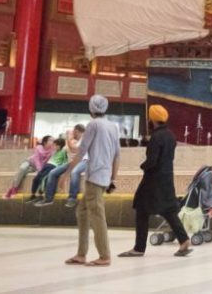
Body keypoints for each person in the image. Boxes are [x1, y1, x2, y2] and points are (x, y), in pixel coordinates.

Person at [119, 105, 192, 258]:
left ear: (152, 119)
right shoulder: (170, 135)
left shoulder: (157, 137)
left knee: (141, 210)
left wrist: (143, 166)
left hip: (153, 180)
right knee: (169, 210)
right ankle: (184, 240)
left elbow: (152, 161)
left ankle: (139, 248)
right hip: (166, 178)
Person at [65, 95, 121, 267]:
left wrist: (65, 174)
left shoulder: (93, 125)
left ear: (91, 109)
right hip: (103, 176)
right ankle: (81, 253)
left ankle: (104, 256)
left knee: (97, 215)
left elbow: (82, 151)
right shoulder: (112, 126)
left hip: (95, 176)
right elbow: (117, 154)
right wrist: (113, 178)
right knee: (82, 212)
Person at [37, 124, 86, 207]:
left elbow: (74, 149)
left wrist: (68, 138)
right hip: (75, 161)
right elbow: (72, 151)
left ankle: (72, 198)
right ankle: (48, 198)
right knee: (52, 172)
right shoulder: (78, 140)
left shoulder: (85, 139)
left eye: (74, 132)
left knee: (74, 172)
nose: (73, 134)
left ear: (77, 131)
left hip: (85, 161)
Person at [28, 137, 67, 203]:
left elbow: (64, 162)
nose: (53, 146)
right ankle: (33, 194)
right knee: (36, 178)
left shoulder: (63, 151)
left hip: (52, 166)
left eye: (55, 145)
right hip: (47, 165)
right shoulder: (54, 152)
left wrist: (60, 169)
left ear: (59, 146)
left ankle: (41, 195)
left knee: (43, 179)